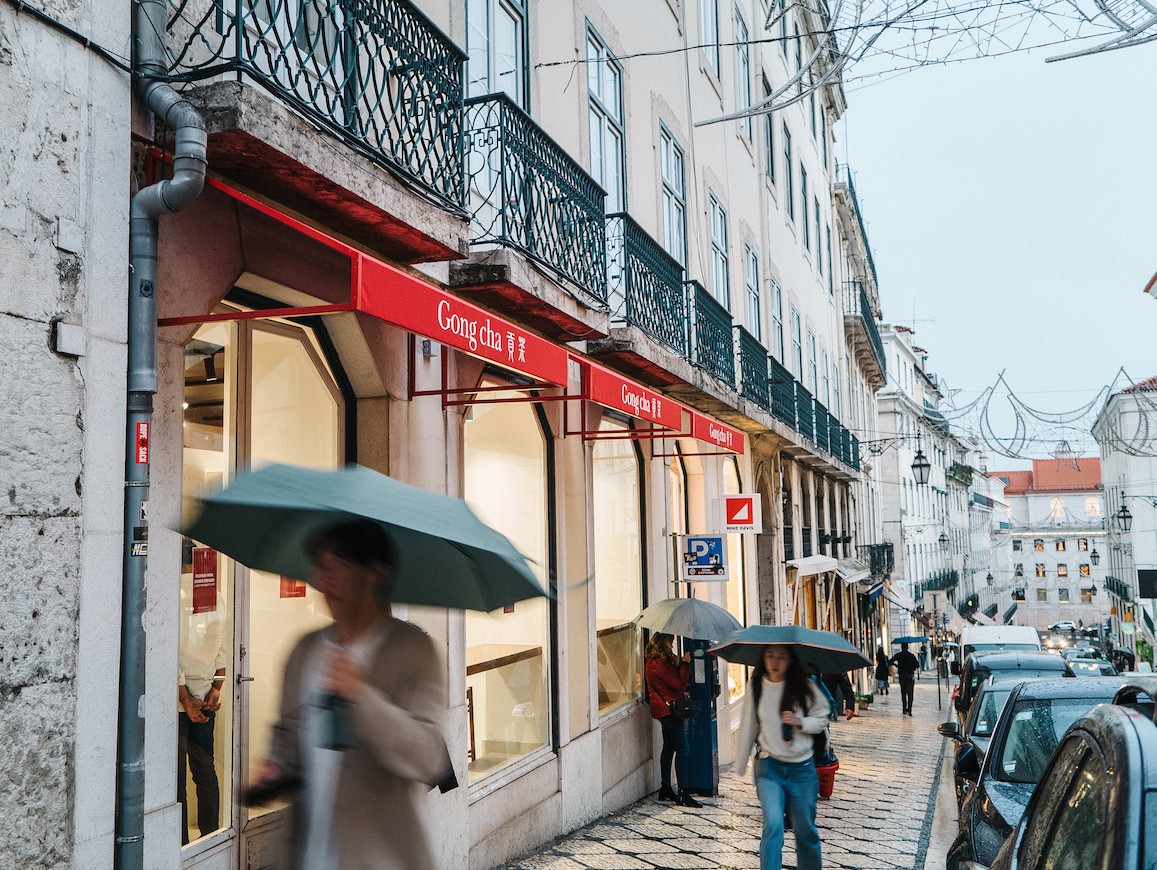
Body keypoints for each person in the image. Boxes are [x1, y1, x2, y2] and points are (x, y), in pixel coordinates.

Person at [251, 520, 453, 870]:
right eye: (320, 566)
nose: (325, 581)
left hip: (383, 858)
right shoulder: (304, 650)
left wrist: (360, 696)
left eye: (340, 566)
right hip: (308, 857)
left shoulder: (415, 652)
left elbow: (430, 757)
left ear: (376, 573)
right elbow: (287, 734)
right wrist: (274, 769)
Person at [736, 645, 830, 870]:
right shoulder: (756, 686)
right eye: (770, 656)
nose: (774, 661)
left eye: (780, 656)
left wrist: (800, 722)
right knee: (773, 825)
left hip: (802, 770)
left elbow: (823, 717)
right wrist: (740, 764)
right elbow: (748, 725)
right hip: (770, 768)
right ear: (763, 659)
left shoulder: (805, 686)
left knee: (805, 829)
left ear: (790, 660)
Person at [177, 568, 228, 844]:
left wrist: (185, 697)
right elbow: (222, 651)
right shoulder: (217, 596)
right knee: (205, 772)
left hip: (180, 702)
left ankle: (181, 845)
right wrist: (215, 689)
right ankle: (211, 838)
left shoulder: (173, 594)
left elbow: (168, 653)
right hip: (207, 697)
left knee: (177, 781)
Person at [644, 633, 702, 808]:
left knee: (669, 746)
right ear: (666, 643)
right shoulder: (659, 663)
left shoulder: (657, 661)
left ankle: (665, 787)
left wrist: (675, 663)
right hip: (669, 710)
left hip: (664, 709)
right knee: (683, 748)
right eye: (671, 642)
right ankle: (683, 793)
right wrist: (685, 664)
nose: (672, 645)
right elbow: (679, 685)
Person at [890, 642, 921, 716]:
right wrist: (912, 667)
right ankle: (909, 709)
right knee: (910, 693)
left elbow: (890, 661)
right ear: (907, 648)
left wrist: (896, 665)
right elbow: (917, 665)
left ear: (901, 647)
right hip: (910, 676)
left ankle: (904, 709)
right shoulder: (911, 656)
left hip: (902, 676)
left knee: (903, 692)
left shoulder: (899, 655)